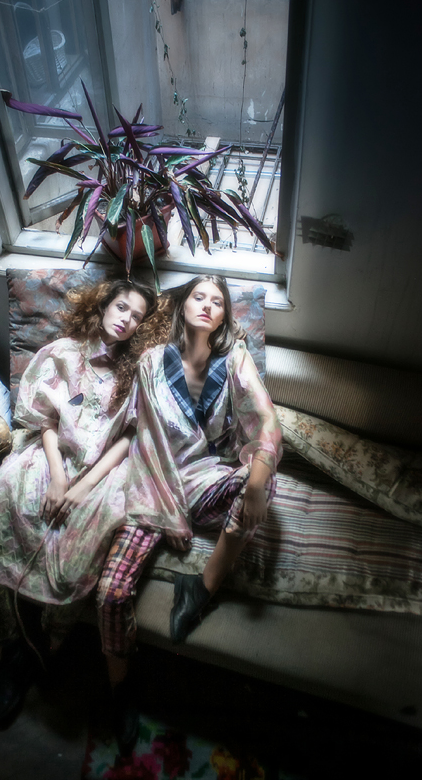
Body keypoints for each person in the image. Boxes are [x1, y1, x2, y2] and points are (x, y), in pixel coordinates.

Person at [0, 278, 156, 728]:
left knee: (80, 547)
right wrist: (59, 477)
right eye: (122, 307)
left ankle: (46, 647)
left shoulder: (139, 372)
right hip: (50, 455)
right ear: (103, 305)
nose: (127, 319)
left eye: (137, 316)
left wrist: (83, 486)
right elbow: (43, 420)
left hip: (103, 470)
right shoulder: (62, 353)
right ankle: (9, 651)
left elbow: (128, 437)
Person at [96, 275, 282, 753]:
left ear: (223, 317)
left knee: (262, 481)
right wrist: (167, 514)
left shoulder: (234, 360)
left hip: (204, 478)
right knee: (112, 594)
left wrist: (255, 481)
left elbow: (266, 421)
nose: (206, 305)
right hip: (152, 483)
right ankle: (121, 689)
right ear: (182, 307)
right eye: (198, 296)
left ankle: (200, 588)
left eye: (217, 302)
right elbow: (142, 441)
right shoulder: (152, 363)